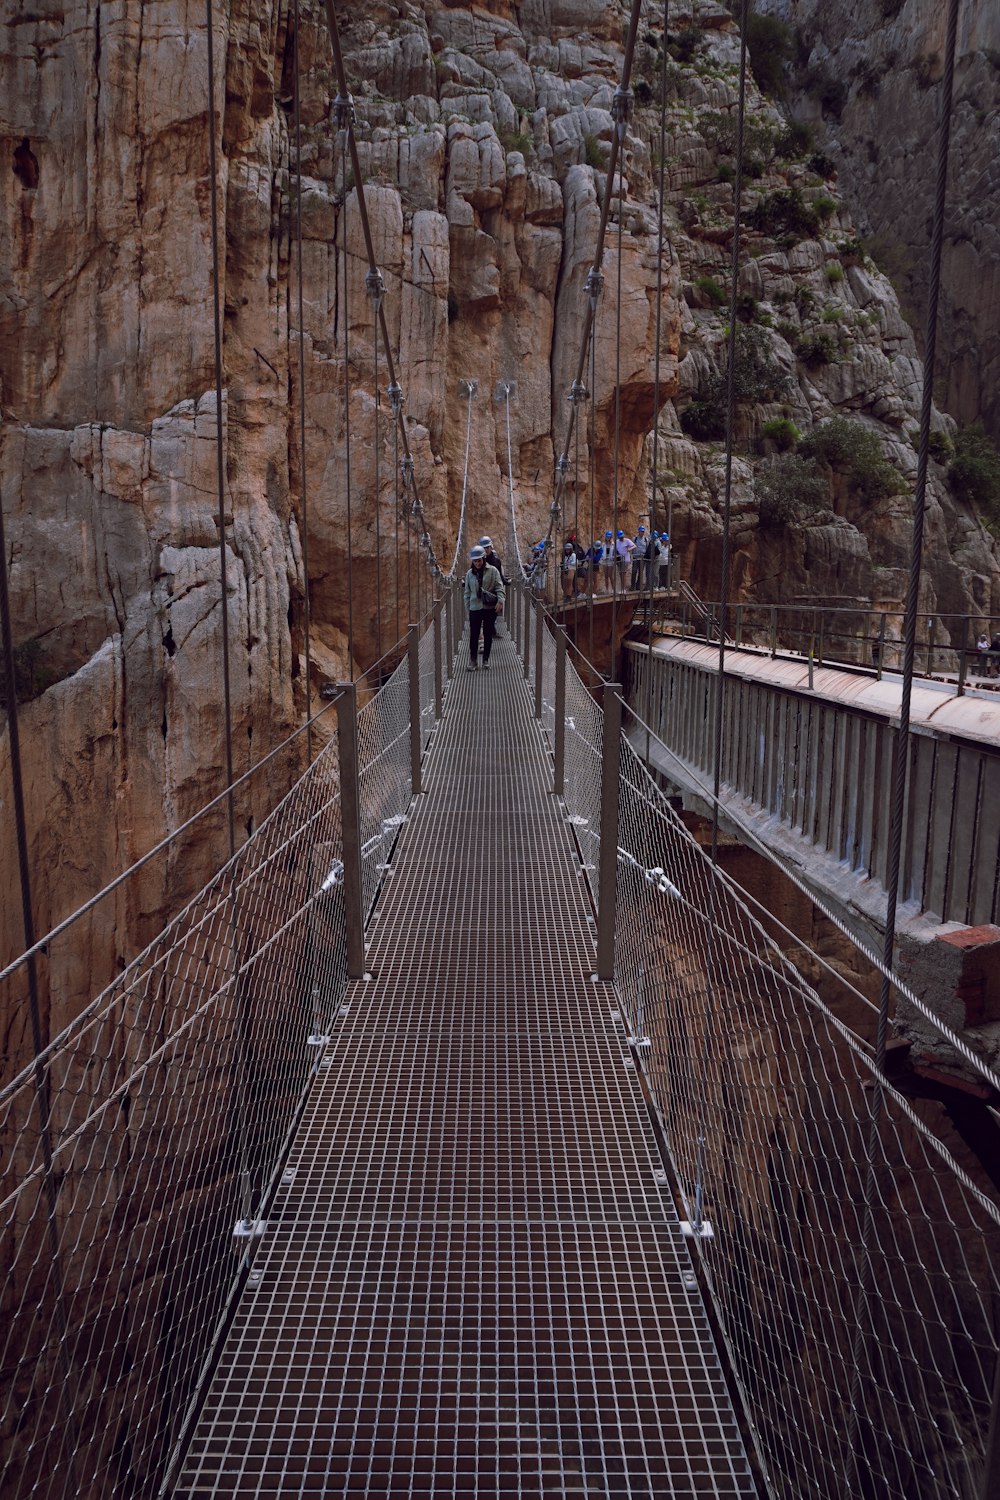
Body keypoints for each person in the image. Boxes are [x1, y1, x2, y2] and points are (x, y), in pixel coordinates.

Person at [464, 545, 505, 669]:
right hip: (475, 608)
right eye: (475, 561)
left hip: (488, 608)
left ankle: (486, 660)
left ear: (483, 559)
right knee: (474, 635)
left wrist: (501, 600)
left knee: (487, 634)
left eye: (479, 560)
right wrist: (468, 609)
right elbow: (467, 593)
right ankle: (473, 661)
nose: (477, 563)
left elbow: (499, 587)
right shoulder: (469, 574)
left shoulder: (493, 571)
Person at [630, 525, 650, 590]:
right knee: (634, 571)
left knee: (640, 573)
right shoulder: (634, 539)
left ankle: (638, 586)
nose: (642, 533)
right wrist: (632, 555)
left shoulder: (646, 539)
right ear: (638, 531)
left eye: (643, 531)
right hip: (636, 558)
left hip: (642, 558)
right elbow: (632, 547)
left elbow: (647, 548)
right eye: (641, 531)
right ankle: (632, 586)